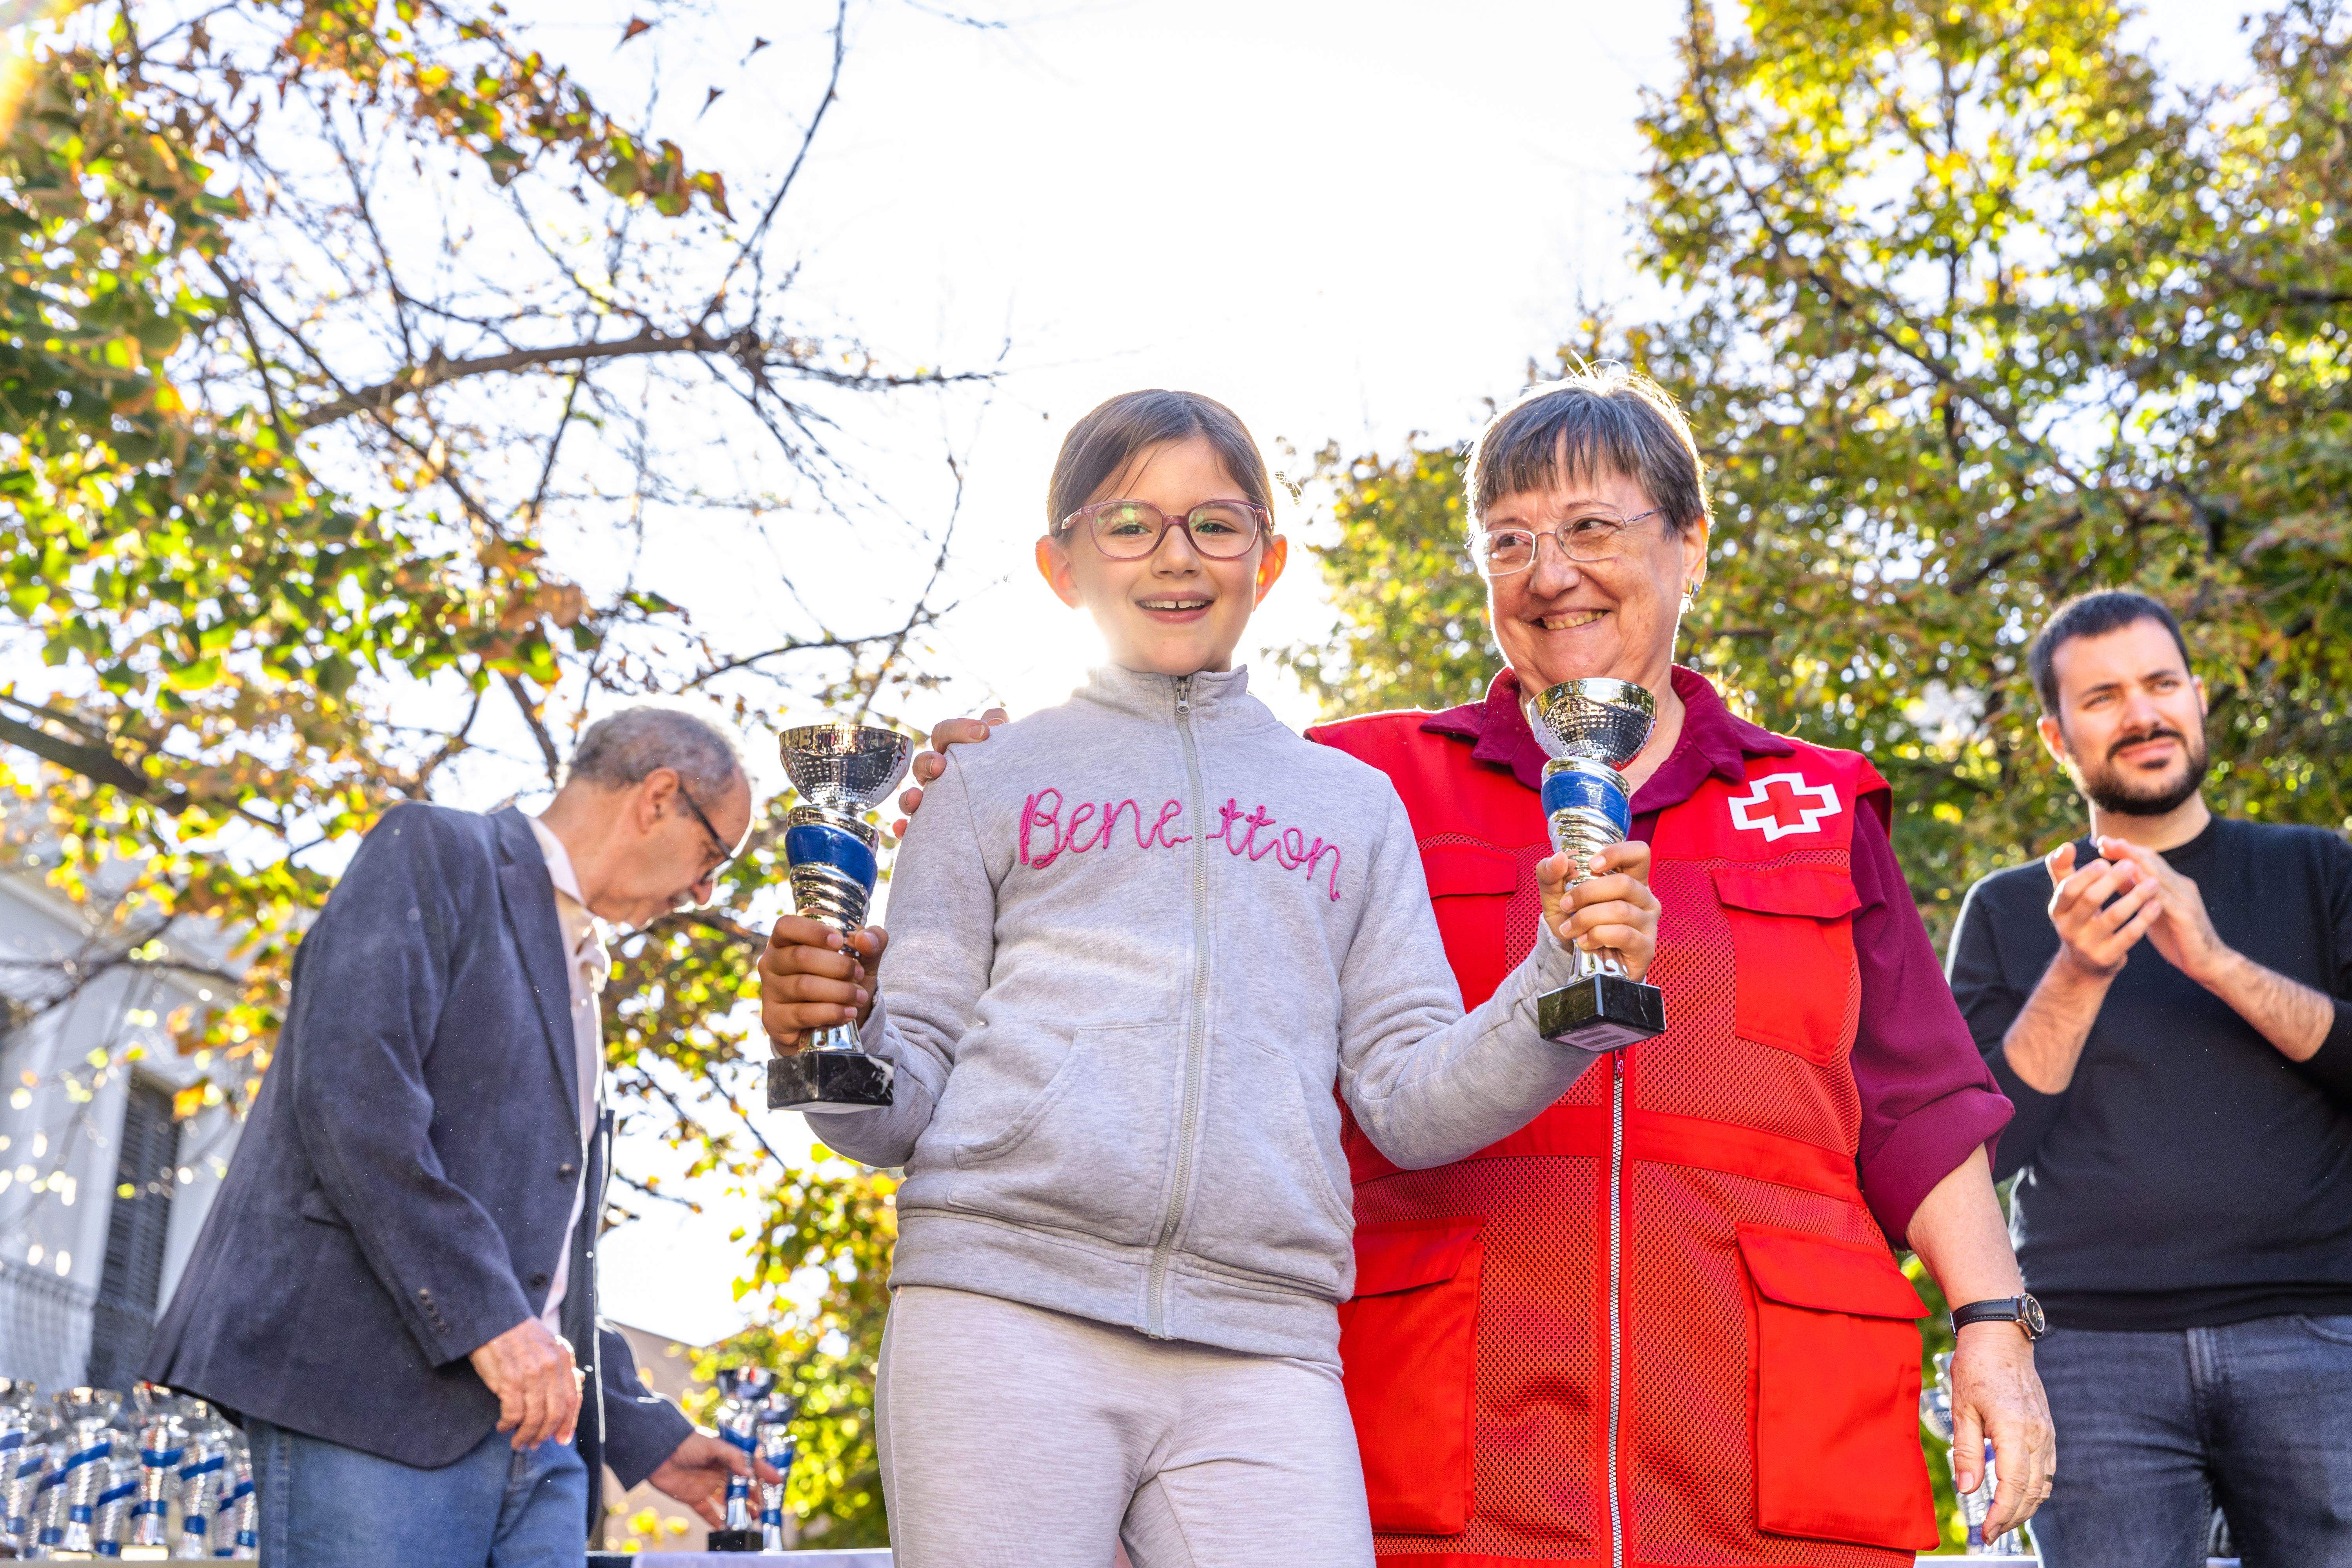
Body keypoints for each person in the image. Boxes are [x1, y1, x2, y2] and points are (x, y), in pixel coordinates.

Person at [901, 367, 2055, 1566]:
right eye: (1511, 540)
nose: (1553, 572)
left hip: (1762, 1425)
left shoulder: (1814, 804)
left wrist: (1993, 1328)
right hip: (1459, 1430)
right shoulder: (1362, 782)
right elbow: (1165, 831)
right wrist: (986, 774)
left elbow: (1918, 1103)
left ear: (1692, 545)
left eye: (1594, 528)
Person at [757, 388, 1661, 1568]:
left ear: (1269, 559)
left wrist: (1565, 983)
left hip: (1266, 1345)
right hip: (1000, 1316)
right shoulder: (986, 784)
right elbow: (901, 1098)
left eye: (1217, 526)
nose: (1175, 558)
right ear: (1061, 561)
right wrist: (820, 1043)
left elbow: (1409, 1097)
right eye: (1130, 523)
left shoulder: (1349, 804)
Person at [144, 707, 779, 1568]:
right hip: (372, 1407)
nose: (706, 892)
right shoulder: (434, 851)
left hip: (543, 1449)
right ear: (658, 796)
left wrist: (639, 1427)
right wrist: (491, 1322)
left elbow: (546, 1255)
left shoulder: (582, 964)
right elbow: (353, 1100)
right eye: (715, 854)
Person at [1945, 590, 2352, 1568]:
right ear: (2055, 735)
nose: (2142, 713)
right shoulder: (2007, 909)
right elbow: (1982, 1149)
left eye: (2162, 684)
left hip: (2319, 1333)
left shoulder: (2317, 867)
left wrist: (2211, 956)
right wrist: (2080, 969)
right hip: (2091, 1351)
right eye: (2104, 697)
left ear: (2199, 699)